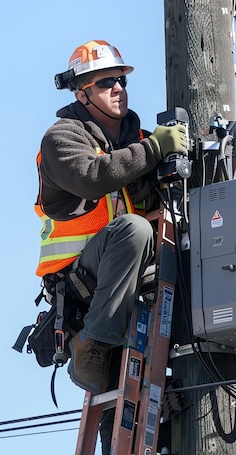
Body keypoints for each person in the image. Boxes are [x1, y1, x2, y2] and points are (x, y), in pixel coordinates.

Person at [34, 40, 187, 396]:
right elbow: (91, 177)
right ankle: (94, 344)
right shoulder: (62, 138)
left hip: (129, 277)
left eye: (121, 81)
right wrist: (154, 149)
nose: (118, 88)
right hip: (81, 279)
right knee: (133, 230)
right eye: (105, 82)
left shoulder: (139, 142)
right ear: (82, 93)